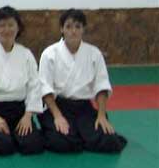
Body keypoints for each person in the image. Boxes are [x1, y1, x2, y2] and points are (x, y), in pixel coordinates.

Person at [38, 8, 127, 153]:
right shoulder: (49, 54)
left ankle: (80, 134)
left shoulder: (93, 53)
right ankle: (77, 135)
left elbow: (101, 86)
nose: (73, 31)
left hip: (84, 108)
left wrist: (102, 115)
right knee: (61, 143)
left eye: (77, 27)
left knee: (110, 142)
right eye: (68, 27)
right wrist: (58, 116)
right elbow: (45, 87)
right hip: (58, 106)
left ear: (83, 29)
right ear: (62, 29)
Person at [0, 6, 44, 155]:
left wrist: (28, 116)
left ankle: (15, 135)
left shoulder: (26, 54)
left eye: (11, 25)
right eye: (2, 25)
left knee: (33, 145)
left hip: (19, 111)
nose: (7, 29)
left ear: (18, 28)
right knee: (1, 145)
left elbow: (34, 87)